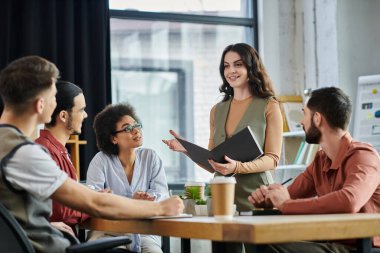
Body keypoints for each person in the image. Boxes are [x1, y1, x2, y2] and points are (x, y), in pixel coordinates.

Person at [0, 55, 184, 253]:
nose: (56, 103)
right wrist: (162, 208)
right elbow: (94, 203)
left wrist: (48, 225)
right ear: (40, 104)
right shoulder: (24, 152)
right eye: (53, 97)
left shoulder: (7, 144)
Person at [249, 87, 380, 253]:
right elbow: (291, 194)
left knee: (269, 245)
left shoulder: (364, 156)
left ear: (317, 118)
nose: (301, 122)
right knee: (263, 242)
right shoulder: (321, 160)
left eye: (305, 114)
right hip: (332, 243)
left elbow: (350, 200)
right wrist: (269, 199)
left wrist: (285, 204)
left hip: (362, 247)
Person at [163, 43, 283, 212]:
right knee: (223, 239)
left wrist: (238, 167)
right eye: (226, 66)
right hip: (222, 196)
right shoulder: (217, 110)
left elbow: (272, 159)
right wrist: (187, 149)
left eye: (238, 64)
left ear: (251, 68)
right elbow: (213, 163)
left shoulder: (269, 106)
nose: (231, 71)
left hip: (258, 196)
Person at [86, 103, 168, 253]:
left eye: (137, 125)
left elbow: (162, 196)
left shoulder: (151, 157)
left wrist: (145, 201)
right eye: (128, 128)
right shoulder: (100, 161)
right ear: (113, 138)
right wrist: (133, 203)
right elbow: (93, 201)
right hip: (109, 232)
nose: (137, 131)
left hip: (145, 233)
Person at [35, 81, 90, 237]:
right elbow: (61, 211)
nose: (85, 115)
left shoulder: (58, 150)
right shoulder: (45, 152)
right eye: (82, 110)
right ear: (64, 116)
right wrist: (95, 204)